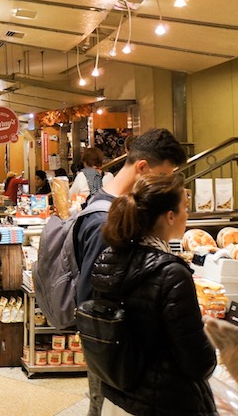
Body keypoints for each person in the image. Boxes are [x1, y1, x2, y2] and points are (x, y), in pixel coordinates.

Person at [74, 128, 187, 415]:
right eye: (162, 175)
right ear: (142, 168)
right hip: (115, 353)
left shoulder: (116, 209)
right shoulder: (104, 219)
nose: (164, 186)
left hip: (123, 353)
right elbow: (92, 299)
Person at [93, 173, 216, 415]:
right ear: (170, 216)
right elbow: (196, 360)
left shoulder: (108, 258)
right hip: (162, 402)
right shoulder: (171, 273)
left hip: (116, 397)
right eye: (184, 208)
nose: (187, 215)